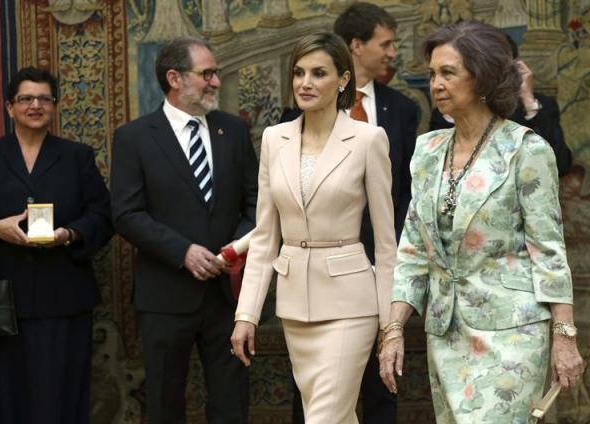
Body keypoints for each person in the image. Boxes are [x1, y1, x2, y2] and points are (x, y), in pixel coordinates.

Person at [379, 21, 584, 423]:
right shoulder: (427, 151)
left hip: (512, 333)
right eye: (433, 73)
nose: (436, 83)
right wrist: (394, 329)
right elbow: (413, 249)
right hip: (446, 333)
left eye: (448, 73)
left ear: (484, 76)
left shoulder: (526, 149)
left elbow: (549, 251)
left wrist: (564, 337)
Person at [230, 31, 397, 424]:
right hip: (294, 306)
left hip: (351, 304)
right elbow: (266, 236)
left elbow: (387, 245)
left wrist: (390, 327)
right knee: (335, 417)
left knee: (322, 417)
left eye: (318, 73)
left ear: (342, 80)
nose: (305, 83)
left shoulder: (368, 140)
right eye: (299, 72)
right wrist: (246, 315)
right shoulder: (274, 139)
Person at [0, 66, 114, 424]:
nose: (35, 105)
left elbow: (103, 216)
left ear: (55, 106)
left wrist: (69, 234)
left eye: (44, 98)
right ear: (10, 107)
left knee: (58, 396)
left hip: (62, 297)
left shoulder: (78, 157)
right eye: (26, 98)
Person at [110, 37, 258, 423]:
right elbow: (126, 214)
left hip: (226, 297)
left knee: (231, 404)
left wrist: (236, 249)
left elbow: (255, 202)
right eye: (206, 73)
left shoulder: (234, 131)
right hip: (165, 296)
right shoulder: (135, 138)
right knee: (164, 405)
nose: (216, 82)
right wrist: (183, 252)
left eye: (216, 73)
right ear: (174, 78)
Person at [430, 33, 573, 176]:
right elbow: (433, 171)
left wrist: (528, 101)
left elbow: (560, 165)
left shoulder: (538, 106)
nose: (436, 85)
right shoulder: (444, 114)